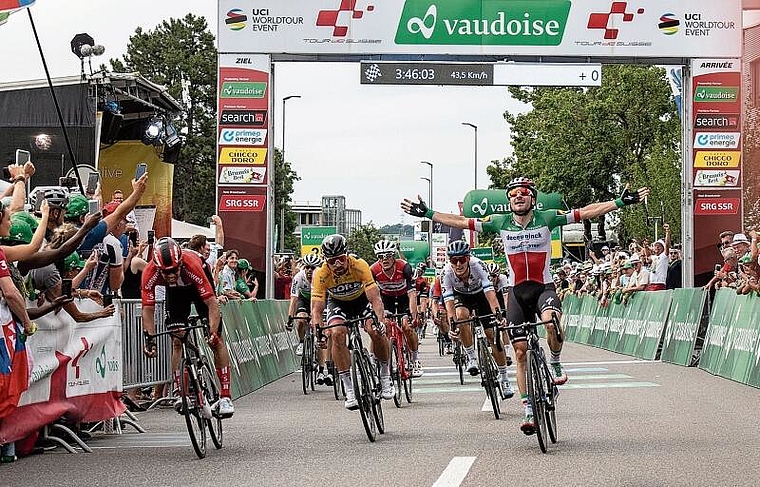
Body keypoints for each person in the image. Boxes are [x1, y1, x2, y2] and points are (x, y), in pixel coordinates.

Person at [402, 176, 649, 434]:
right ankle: (529, 409)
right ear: (509, 201)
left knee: (550, 322)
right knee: (519, 351)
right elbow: (462, 222)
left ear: (532, 198)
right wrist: (429, 213)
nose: (518, 197)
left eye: (523, 192)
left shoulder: (548, 217)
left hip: (543, 287)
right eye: (513, 194)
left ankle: (554, 361)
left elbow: (585, 212)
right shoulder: (500, 223)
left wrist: (620, 202)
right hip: (517, 292)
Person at [141, 237, 234, 417]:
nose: (170, 275)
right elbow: (148, 310)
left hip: (198, 285)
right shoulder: (150, 272)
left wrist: (213, 332)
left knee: (216, 342)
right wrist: (149, 338)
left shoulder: (192, 264)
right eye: (165, 272)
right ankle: (180, 392)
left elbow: (212, 305)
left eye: (174, 270)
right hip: (176, 293)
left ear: (180, 262)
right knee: (177, 339)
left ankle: (225, 396)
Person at [310, 234, 393, 410]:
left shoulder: (360, 265)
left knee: (375, 331)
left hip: (361, 301)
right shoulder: (321, 274)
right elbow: (316, 309)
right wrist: (319, 333)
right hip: (338, 303)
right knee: (337, 333)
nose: (337, 265)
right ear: (326, 261)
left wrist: (381, 321)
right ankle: (349, 387)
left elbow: (375, 299)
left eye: (340, 259)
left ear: (346, 256)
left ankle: (385, 376)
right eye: (332, 261)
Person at [439, 240, 513, 401]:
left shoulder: (478, 265)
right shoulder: (446, 273)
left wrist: (498, 316)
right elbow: (449, 303)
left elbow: (491, 294)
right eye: (453, 260)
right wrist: (453, 325)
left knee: (493, 336)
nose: (458, 264)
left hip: (482, 295)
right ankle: (471, 356)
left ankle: (504, 377)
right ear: (449, 261)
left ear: (468, 258)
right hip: (462, 297)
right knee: (461, 316)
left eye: (462, 260)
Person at [369, 239, 423, 378]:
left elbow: (412, 294)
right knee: (384, 325)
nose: (384, 260)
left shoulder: (404, 267)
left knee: (406, 326)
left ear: (394, 256)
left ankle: (415, 359)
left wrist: (413, 315)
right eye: (381, 257)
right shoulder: (373, 270)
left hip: (404, 297)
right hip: (386, 299)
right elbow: (373, 295)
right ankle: (382, 359)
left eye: (387, 256)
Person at [287, 253, 332, 385]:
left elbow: (323, 301)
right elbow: (294, 300)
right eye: (307, 267)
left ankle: (323, 369)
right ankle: (302, 342)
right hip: (304, 300)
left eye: (312, 268)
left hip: (321, 300)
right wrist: (290, 318)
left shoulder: (322, 277)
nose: (309, 271)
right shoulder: (298, 277)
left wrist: (317, 317)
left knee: (321, 333)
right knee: (301, 319)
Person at [647, 224, 670, 291]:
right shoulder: (654, 257)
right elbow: (648, 257)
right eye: (655, 246)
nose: (657, 247)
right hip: (651, 283)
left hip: (659, 284)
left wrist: (667, 232)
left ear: (663, 248)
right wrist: (645, 246)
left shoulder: (664, 256)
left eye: (659, 246)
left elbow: (667, 244)